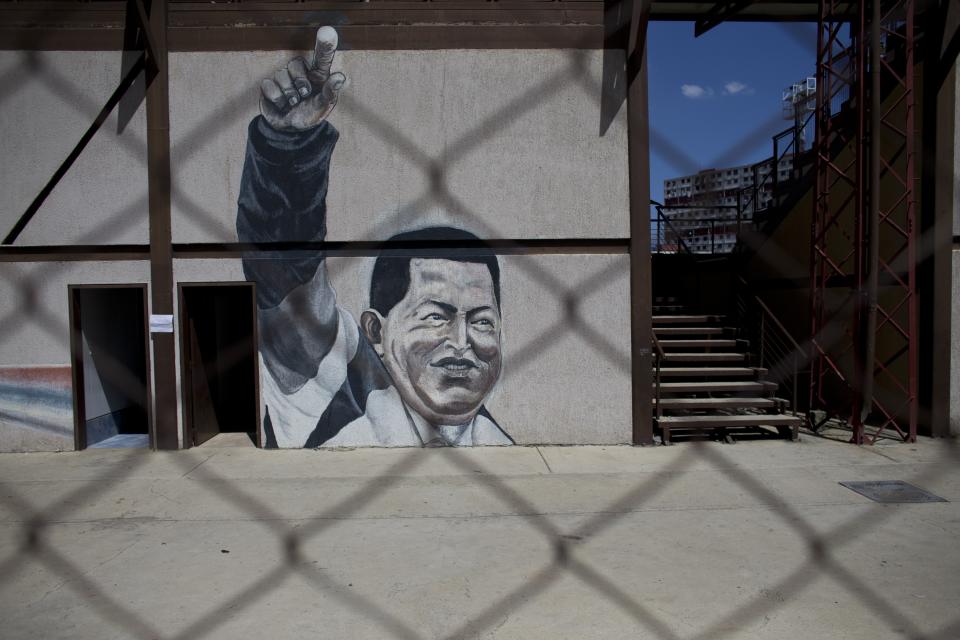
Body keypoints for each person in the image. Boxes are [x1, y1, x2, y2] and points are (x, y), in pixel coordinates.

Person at [236, 27, 513, 448]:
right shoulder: (340, 383)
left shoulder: (496, 444)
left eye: (482, 322)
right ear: (375, 331)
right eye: (435, 316)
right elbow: (287, 282)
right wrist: (286, 150)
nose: (462, 343)